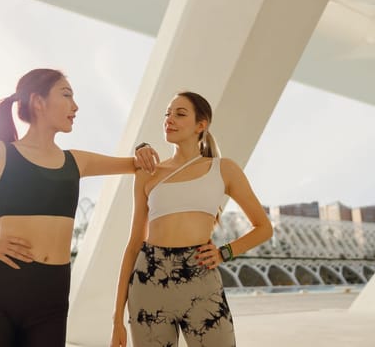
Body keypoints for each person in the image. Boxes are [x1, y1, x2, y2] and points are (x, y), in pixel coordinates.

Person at [0, 68, 159, 347]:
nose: (76, 105)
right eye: (66, 94)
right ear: (38, 101)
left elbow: (137, 163)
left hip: (51, 299)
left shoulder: (76, 162)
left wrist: (143, 147)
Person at [110, 91, 273, 347]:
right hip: (148, 282)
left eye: (180, 113)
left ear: (201, 125)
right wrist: (117, 318)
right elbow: (133, 246)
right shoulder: (148, 173)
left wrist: (224, 253)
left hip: (201, 281)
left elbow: (263, 227)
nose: (169, 119)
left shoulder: (223, 169)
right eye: (167, 114)